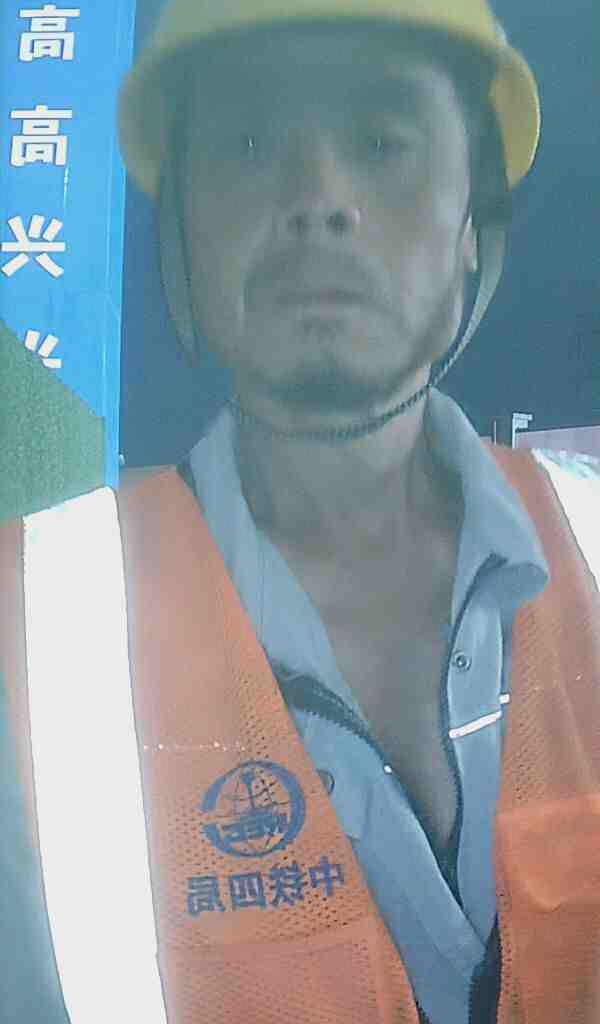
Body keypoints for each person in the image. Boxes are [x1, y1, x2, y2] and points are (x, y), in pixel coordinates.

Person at [2, 1, 600, 1022]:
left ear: (474, 224)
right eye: (246, 143)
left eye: (383, 142)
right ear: (181, 236)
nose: (318, 198)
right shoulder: (26, 628)